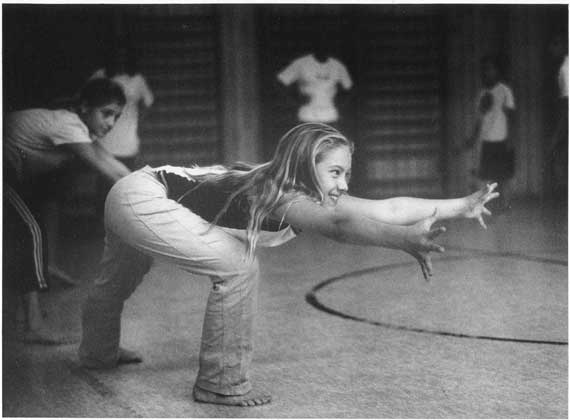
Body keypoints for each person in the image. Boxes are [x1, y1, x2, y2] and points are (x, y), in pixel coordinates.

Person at [78, 123, 498, 407]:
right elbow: (339, 226)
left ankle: (98, 352)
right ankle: (220, 384)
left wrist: (460, 206)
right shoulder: (282, 193)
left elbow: (389, 207)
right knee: (238, 266)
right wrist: (402, 240)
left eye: (346, 174)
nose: (344, 184)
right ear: (304, 167)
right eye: (335, 172)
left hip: (132, 190)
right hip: (143, 197)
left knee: (123, 273)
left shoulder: (300, 187)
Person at [4, 77, 132, 344]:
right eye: (106, 113)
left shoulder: (79, 129)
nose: (111, 123)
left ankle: (27, 309)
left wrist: (155, 188)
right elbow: (105, 169)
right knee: (30, 231)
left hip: (12, 172)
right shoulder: (68, 125)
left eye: (116, 117)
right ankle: (32, 325)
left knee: (31, 227)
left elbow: (114, 165)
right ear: (84, 108)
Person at [465, 55, 516, 211]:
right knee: (486, 176)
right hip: (487, 141)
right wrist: (473, 138)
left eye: (491, 68)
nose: (488, 72)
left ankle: (505, 206)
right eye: (485, 69)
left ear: (498, 71)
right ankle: (487, 206)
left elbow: (511, 117)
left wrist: (511, 139)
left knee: (504, 176)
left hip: (502, 140)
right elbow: (479, 119)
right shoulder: (482, 94)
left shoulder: (505, 91)